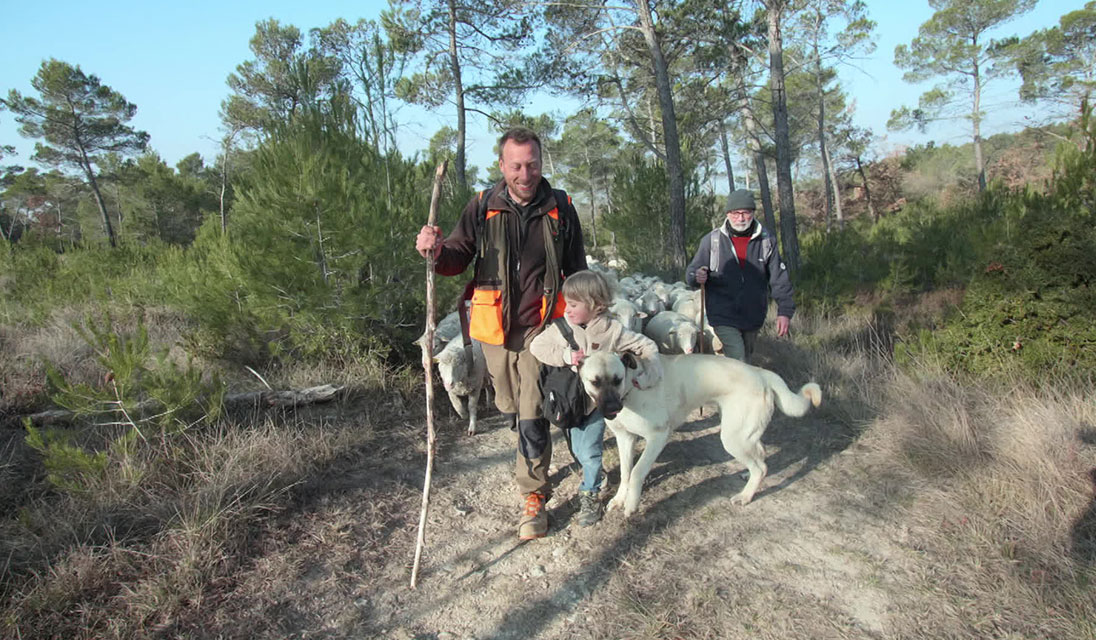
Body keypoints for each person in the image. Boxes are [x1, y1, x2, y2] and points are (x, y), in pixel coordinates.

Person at [415, 127, 587, 540]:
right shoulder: (482, 207)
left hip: (542, 326)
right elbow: (456, 256)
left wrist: (585, 316)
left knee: (532, 407)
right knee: (509, 404)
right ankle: (527, 434)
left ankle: (534, 496)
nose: (525, 174)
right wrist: (434, 251)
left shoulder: (561, 207)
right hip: (494, 329)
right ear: (501, 166)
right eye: (516, 166)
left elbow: (578, 269)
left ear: (541, 163)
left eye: (532, 165)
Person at [529, 270, 662, 526]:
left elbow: (647, 346)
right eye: (566, 304)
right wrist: (566, 357)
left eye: (574, 305)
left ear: (596, 305)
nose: (567, 310)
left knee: (589, 452)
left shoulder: (614, 331)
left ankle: (590, 493)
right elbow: (537, 347)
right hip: (569, 402)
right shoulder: (561, 328)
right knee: (578, 450)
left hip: (596, 405)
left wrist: (650, 375)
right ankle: (595, 473)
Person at [685, 189, 795, 363]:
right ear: (728, 214)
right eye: (736, 213)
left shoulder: (766, 241)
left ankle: (727, 387)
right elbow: (692, 271)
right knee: (738, 359)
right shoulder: (712, 241)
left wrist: (785, 311)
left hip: (753, 314)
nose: (741, 218)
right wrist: (696, 276)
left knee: (746, 359)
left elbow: (779, 278)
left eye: (746, 213)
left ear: (753, 213)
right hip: (723, 313)